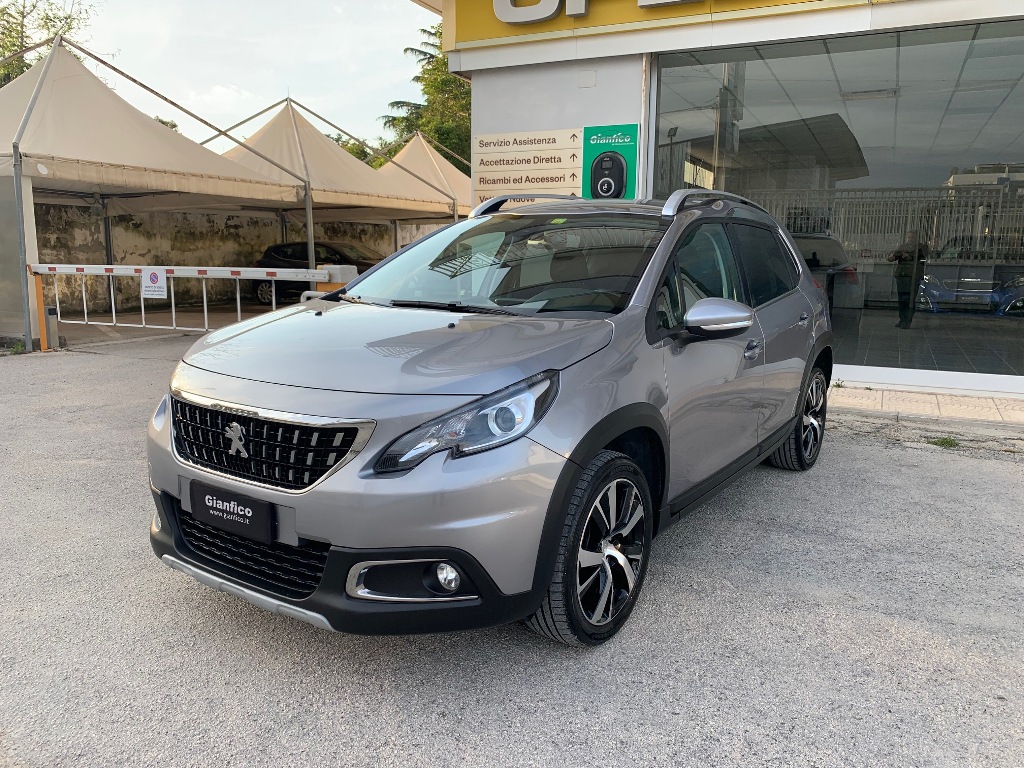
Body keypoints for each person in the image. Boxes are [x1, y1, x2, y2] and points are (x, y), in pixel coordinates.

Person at [889, 230, 927, 328]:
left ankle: (908, 320)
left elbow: (922, 258)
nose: (910, 239)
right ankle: (902, 319)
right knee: (901, 298)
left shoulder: (922, 247)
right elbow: (895, 256)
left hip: (913, 275)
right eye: (909, 237)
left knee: (910, 299)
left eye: (912, 237)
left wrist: (909, 256)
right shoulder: (903, 246)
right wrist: (892, 257)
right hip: (902, 274)